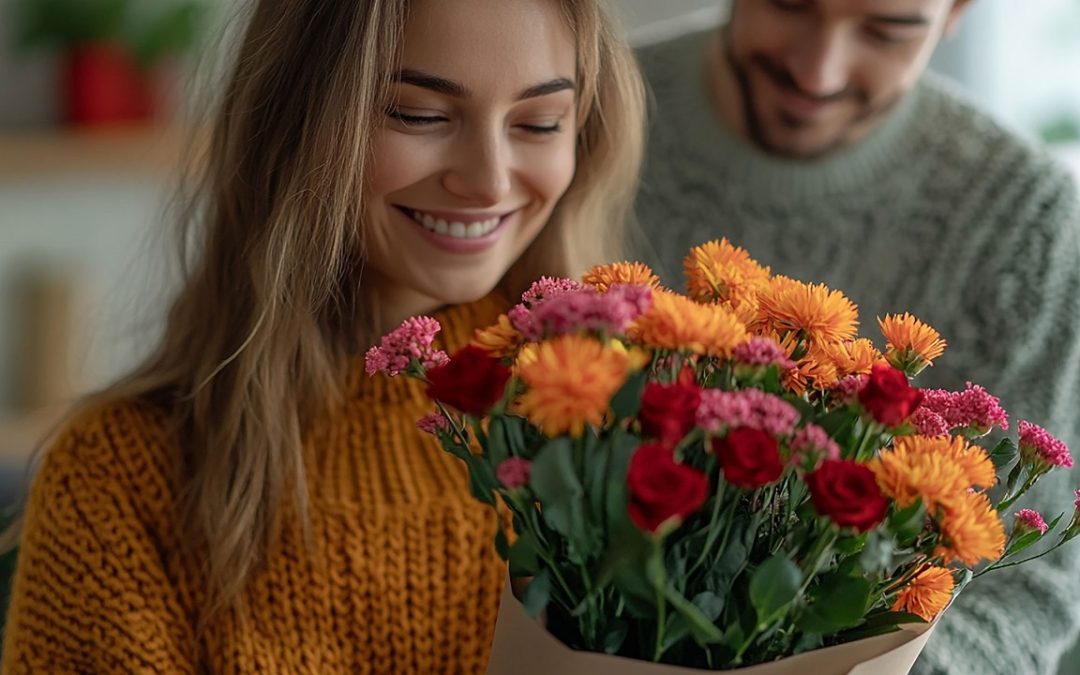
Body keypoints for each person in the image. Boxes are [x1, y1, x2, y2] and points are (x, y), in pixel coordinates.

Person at [0, 0, 645, 670]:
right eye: (418, 114)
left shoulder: (633, 421)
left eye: (539, 122)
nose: (487, 179)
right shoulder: (118, 486)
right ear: (293, 117)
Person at [633, 1, 1080, 674]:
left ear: (956, 12)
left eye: (886, 30)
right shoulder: (578, 112)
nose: (818, 72)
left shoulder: (1024, 219)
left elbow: (1024, 593)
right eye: (790, 3)